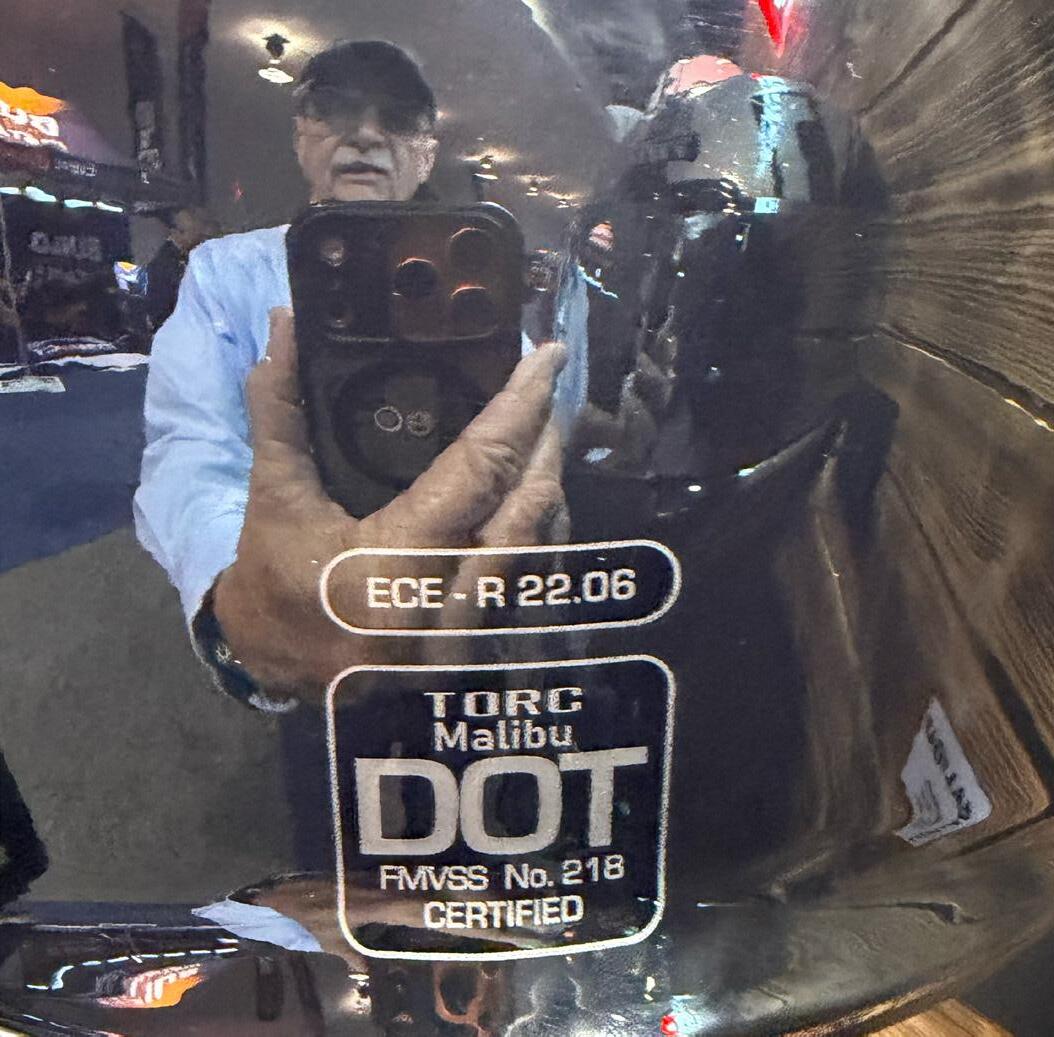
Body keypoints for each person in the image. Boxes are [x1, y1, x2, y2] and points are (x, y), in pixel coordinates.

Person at [133, 40, 570, 709]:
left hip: (469, 606)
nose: (365, 132)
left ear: (426, 152)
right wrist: (248, 597)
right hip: (305, 647)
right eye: (336, 108)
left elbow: (525, 421)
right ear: (301, 138)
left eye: (396, 116)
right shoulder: (229, 272)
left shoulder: (474, 277)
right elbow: (190, 446)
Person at [142, 206, 220, 332]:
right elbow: (162, 309)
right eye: (192, 232)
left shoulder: (189, 256)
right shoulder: (164, 264)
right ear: (175, 233)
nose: (199, 237)